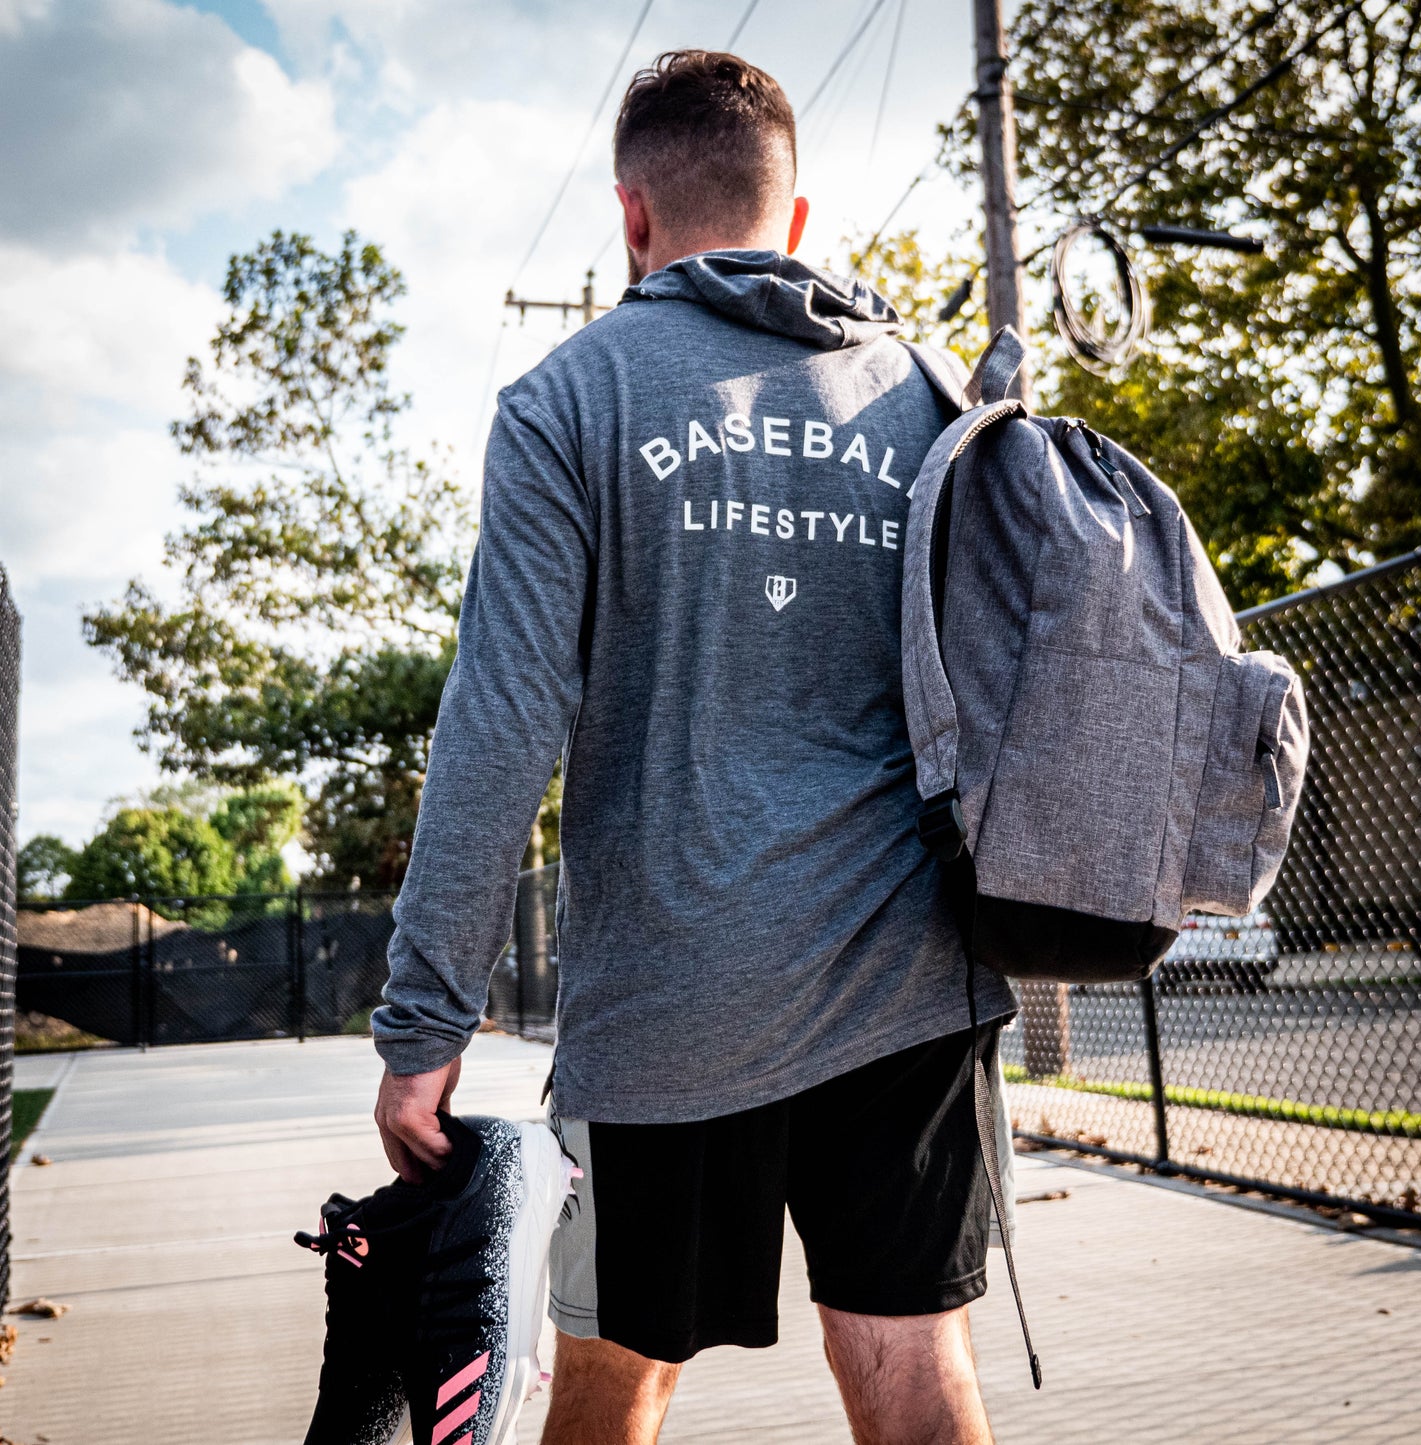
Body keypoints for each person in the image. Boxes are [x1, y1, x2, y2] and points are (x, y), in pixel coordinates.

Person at [372, 49, 1017, 1445]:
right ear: (795, 218)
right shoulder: (925, 398)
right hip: (907, 984)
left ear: (632, 213)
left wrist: (425, 1025)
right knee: (916, 1368)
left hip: (670, 998)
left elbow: (502, 720)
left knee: (615, 1376)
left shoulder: (569, 400)